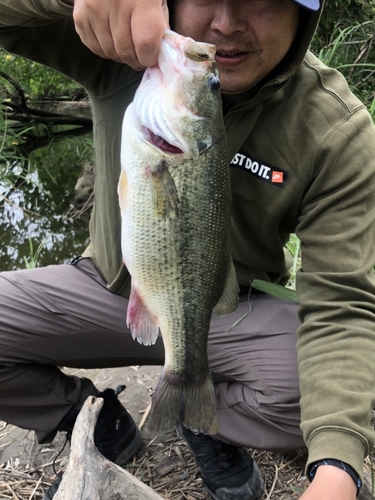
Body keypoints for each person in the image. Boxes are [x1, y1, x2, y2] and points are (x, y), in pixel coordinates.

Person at [0, 1, 375, 499]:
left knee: (336, 395)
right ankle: (91, 417)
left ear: (304, 12)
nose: (225, 25)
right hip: (107, 285)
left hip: (228, 310)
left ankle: (202, 417)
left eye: (260, 0)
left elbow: (342, 306)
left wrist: (336, 470)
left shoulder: (337, 128)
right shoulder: (128, 49)